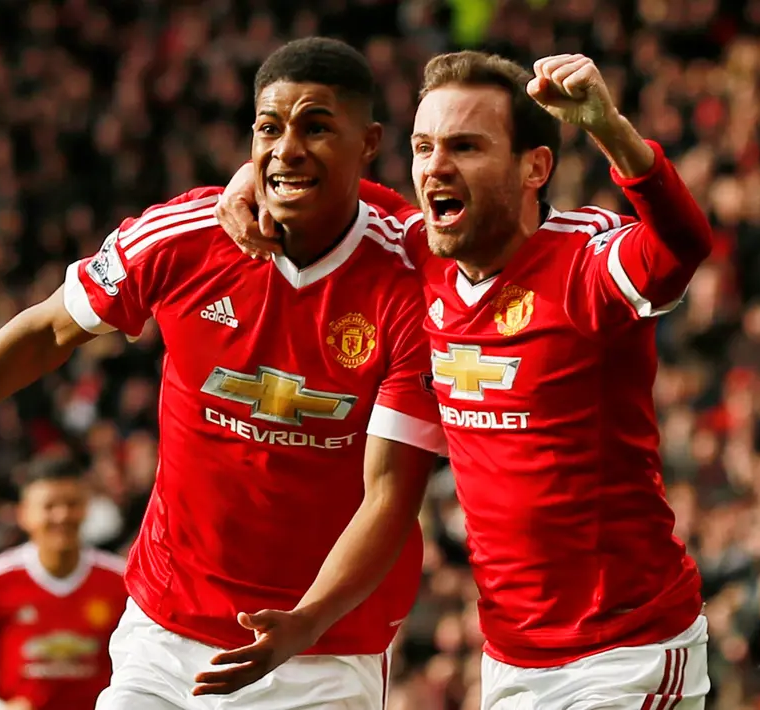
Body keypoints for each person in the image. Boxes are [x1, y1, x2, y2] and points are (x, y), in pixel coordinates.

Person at [0, 38, 444, 709]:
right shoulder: (183, 237)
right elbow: (44, 332)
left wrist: (306, 622)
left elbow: (390, 498)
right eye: (268, 128)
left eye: (316, 128)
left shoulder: (409, 280)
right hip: (166, 632)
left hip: (325, 648)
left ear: (369, 143)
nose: (286, 149)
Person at [218, 51, 715, 708]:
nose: (435, 167)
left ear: (534, 166)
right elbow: (334, 187)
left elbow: (680, 247)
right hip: (509, 658)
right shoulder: (417, 253)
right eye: (423, 146)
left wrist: (610, 130)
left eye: (465, 146)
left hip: (627, 651)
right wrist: (250, 179)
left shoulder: (584, 260)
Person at [0, 461, 128, 710]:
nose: (62, 515)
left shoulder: (123, 581)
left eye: (72, 504)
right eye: (50, 506)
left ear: (86, 509)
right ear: (24, 514)